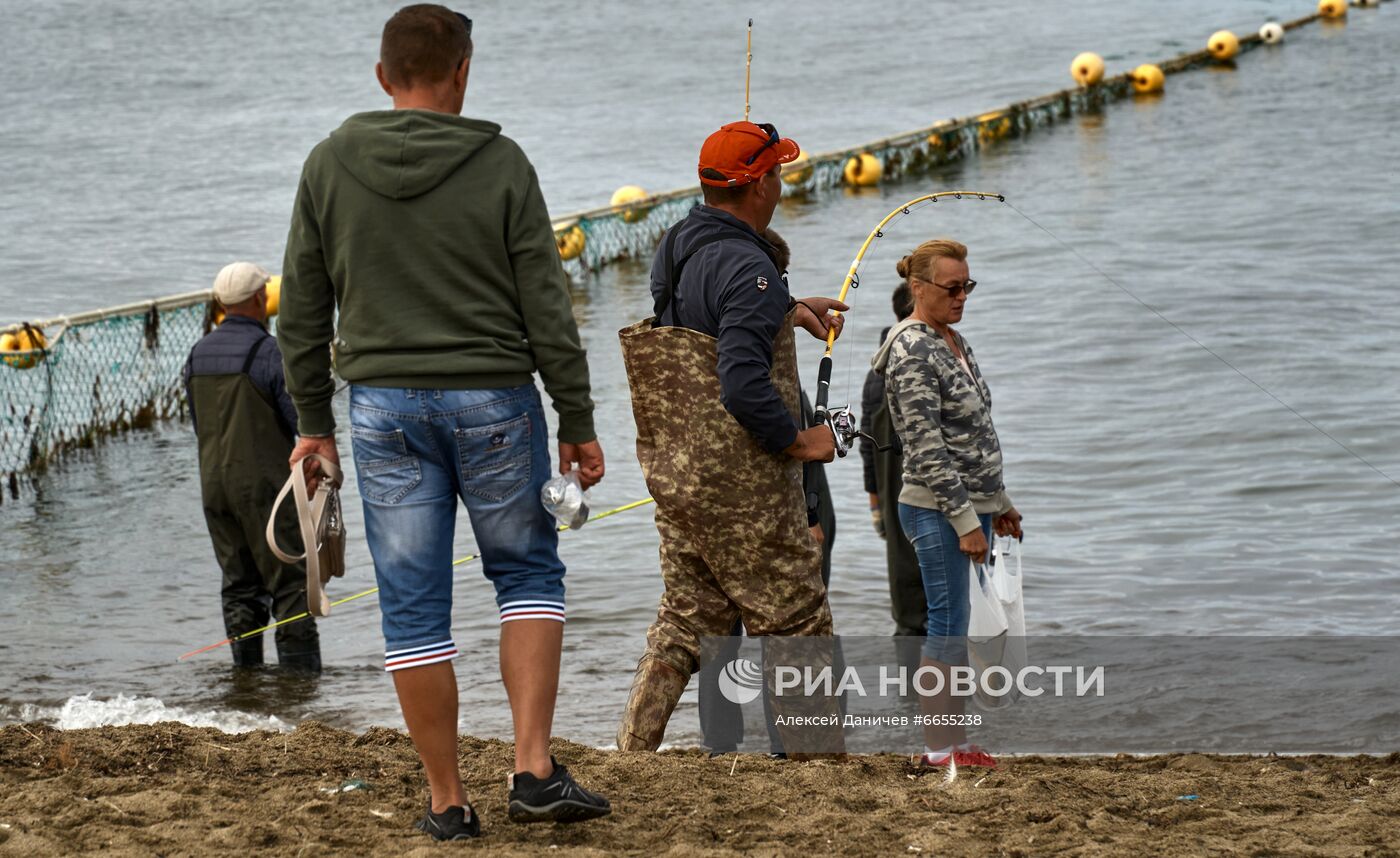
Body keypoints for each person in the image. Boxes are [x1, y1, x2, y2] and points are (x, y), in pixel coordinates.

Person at [277, 5, 609, 839]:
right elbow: (546, 303)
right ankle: (532, 771)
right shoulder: (500, 163)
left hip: (383, 408)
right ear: (462, 71)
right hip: (496, 398)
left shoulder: (327, 166)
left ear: (383, 76)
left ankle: (447, 801)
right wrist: (576, 414)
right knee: (528, 577)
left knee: (412, 606)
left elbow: (303, 313)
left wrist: (314, 424)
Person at [616, 121, 848, 755]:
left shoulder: (678, 243)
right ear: (757, 185)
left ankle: (630, 752)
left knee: (684, 620)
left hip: (679, 471)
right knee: (798, 621)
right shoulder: (750, 267)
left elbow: (701, 325)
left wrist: (787, 307)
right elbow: (743, 384)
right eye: (776, 171)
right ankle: (815, 762)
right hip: (742, 483)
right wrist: (801, 442)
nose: (782, 181)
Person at [871, 239, 1024, 769]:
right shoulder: (912, 349)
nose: (962, 297)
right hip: (936, 508)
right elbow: (925, 445)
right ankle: (940, 750)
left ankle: (954, 742)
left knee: (957, 623)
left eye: (967, 287)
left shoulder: (953, 339)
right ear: (918, 288)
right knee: (947, 623)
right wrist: (964, 520)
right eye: (951, 288)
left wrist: (998, 502)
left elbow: (975, 431)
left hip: (969, 502)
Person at [696, 229, 837, 758]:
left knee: (721, 626)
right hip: (777, 514)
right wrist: (813, 514)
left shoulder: (704, 352)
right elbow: (796, 447)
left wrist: (794, 308)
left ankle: (720, 741)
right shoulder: (762, 368)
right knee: (788, 629)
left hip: (713, 510)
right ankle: (788, 741)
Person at [184, 261, 321, 674]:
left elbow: (197, 422)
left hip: (213, 486)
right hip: (267, 490)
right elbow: (302, 425)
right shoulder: (270, 353)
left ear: (221, 304)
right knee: (290, 585)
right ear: (263, 299)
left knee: (239, 585)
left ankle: (246, 680)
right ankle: (300, 685)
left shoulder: (197, 353)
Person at [858, 282, 926, 640]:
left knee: (912, 597)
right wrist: (877, 506)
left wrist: (875, 506)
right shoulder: (894, 367)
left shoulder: (876, 369)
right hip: (905, 494)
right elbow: (868, 445)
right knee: (917, 604)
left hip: (894, 498)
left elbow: (866, 447)